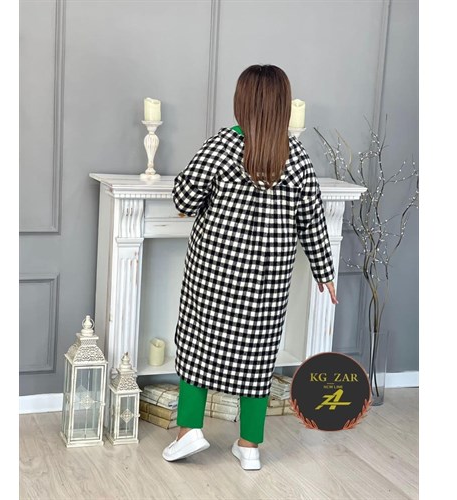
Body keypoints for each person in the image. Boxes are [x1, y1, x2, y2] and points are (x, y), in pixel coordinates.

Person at [163, 64, 337, 470]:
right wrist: (325, 272)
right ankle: (250, 446)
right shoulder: (298, 158)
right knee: (258, 358)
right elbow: (313, 222)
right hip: (267, 283)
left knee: (197, 345)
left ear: (241, 102)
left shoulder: (221, 146)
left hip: (213, 273)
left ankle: (189, 431)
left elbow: (184, 199)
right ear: (283, 107)